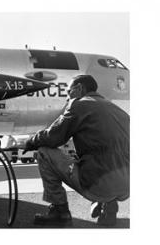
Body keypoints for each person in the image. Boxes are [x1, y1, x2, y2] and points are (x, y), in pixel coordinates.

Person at [23, 75, 129, 226]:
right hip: (126, 185)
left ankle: (59, 211)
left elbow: (53, 137)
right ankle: (109, 209)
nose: (67, 97)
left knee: (44, 152)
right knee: (105, 160)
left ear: (79, 89)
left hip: (100, 185)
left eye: (68, 92)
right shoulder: (119, 111)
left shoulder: (79, 104)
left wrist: (29, 142)